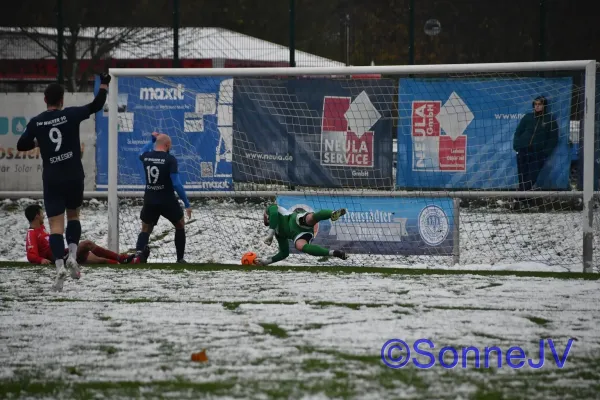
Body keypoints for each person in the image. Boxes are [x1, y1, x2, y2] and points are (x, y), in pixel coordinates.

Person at [16, 73, 111, 291]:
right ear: (62, 100)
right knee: (74, 215)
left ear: (44, 100)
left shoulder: (37, 121)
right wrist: (104, 84)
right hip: (73, 175)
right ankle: (73, 256)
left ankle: (59, 265)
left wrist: (39, 141)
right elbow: (97, 104)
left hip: (52, 178)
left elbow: (21, 144)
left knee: (56, 227)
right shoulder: (70, 114)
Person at [132, 132, 192, 263]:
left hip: (150, 199)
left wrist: (151, 140)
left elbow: (140, 152)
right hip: (167, 200)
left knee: (145, 228)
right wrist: (187, 203)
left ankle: (138, 256)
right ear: (167, 145)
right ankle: (180, 259)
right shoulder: (170, 159)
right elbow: (176, 184)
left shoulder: (146, 156)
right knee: (180, 224)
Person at [24, 204, 138, 265]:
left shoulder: (42, 228)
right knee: (87, 244)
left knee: (99, 260)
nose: (43, 215)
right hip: (59, 258)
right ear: (36, 216)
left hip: (63, 254)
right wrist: (41, 260)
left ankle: (131, 262)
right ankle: (121, 258)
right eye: (41, 213)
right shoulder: (32, 233)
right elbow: (31, 255)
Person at [254, 204, 349, 266]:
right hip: (300, 234)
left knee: (309, 218)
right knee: (300, 246)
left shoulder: (272, 208)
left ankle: (332, 214)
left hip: (296, 220)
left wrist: (270, 234)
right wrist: (266, 262)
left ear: (266, 215)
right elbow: (284, 253)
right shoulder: (278, 233)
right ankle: (333, 253)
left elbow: (274, 214)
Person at [513, 95, 559, 197]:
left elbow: (553, 138)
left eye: (540, 104)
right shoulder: (527, 117)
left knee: (531, 177)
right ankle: (524, 200)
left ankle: (521, 199)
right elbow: (518, 132)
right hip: (523, 151)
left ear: (544, 106)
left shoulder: (550, 119)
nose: (537, 106)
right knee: (522, 177)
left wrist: (545, 153)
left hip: (538, 153)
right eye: (535, 104)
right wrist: (517, 146)